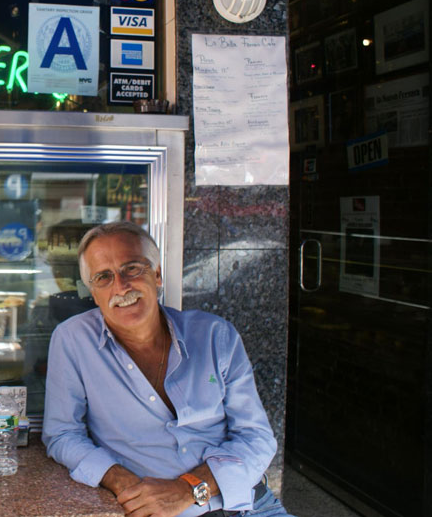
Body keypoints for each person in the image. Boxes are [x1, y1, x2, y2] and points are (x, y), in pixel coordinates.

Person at [42, 222, 294, 517]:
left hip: (248, 505)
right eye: (103, 277)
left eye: (132, 269)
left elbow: (257, 437)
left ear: (157, 275)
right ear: (93, 293)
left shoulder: (215, 336)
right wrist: (120, 480)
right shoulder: (73, 340)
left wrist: (188, 489)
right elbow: (62, 434)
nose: (121, 287)